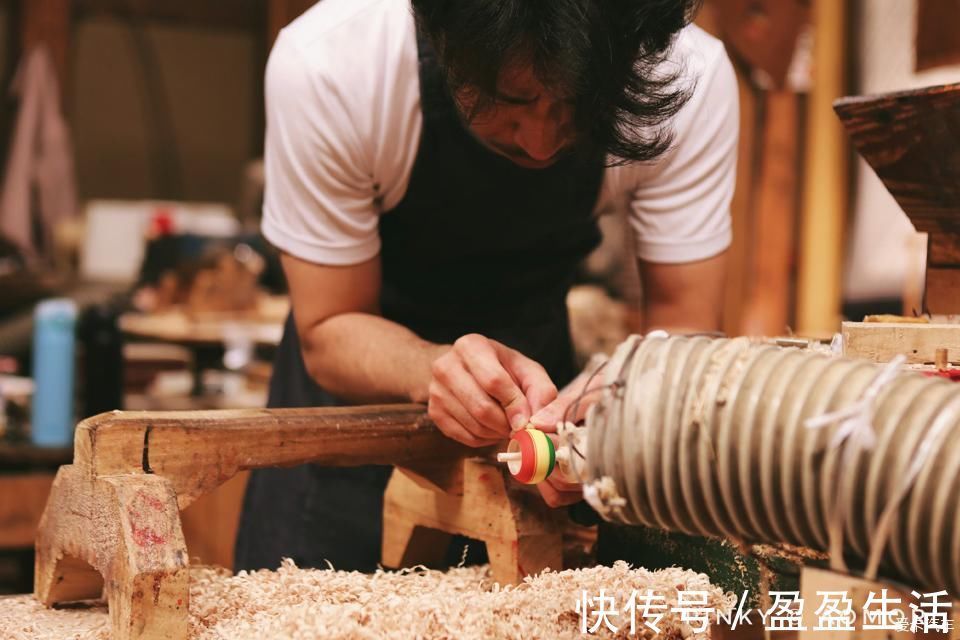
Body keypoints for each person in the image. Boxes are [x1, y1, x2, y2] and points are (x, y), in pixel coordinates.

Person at [234, 0, 738, 572]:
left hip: (534, 442)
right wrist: (434, 368)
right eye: (513, 100)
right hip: (348, 443)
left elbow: (683, 321)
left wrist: (627, 395)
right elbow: (328, 327)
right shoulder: (334, 65)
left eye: (578, 103)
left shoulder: (679, 80)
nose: (543, 143)